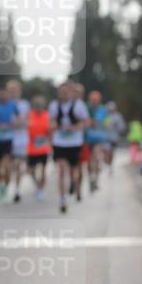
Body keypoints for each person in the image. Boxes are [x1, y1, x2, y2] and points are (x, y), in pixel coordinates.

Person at [48, 81, 89, 213]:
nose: (64, 94)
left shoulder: (79, 105)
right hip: (59, 143)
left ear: (70, 93)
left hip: (75, 143)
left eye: (66, 92)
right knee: (61, 170)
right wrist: (53, 125)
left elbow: (87, 121)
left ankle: (75, 184)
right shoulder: (54, 106)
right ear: (58, 93)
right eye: (61, 92)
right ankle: (62, 199)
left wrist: (75, 127)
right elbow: (50, 122)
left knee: (74, 170)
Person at [6, 79, 31, 203]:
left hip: (21, 139)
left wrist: (18, 122)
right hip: (8, 138)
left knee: (18, 165)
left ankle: (17, 190)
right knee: (8, 166)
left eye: (15, 90)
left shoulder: (24, 104)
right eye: (11, 90)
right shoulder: (6, 104)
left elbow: (26, 120)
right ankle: (6, 184)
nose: (13, 92)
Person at [26, 94, 51, 200]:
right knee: (31, 171)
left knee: (43, 170)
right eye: (37, 104)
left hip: (43, 147)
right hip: (31, 148)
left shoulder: (47, 115)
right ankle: (37, 186)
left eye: (40, 104)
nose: (38, 106)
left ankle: (41, 189)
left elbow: (50, 130)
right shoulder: (29, 115)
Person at [84, 90, 108, 191]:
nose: (94, 101)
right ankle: (91, 178)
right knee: (89, 162)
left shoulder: (102, 110)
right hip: (88, 138)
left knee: (96, 158)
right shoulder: (86, 108)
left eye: (96, 100)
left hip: (99, 138)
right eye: (92, 100)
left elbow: (103, 123)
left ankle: (95, 180)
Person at [103, 102, 126, 173]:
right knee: (107, 151)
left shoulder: (118, 116)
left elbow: (122, 127)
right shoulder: (104, 116)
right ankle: (106, 162)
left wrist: (117, 128)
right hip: (105, 137)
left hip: (114, 138)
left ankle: (110, 164)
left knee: (112, 152)